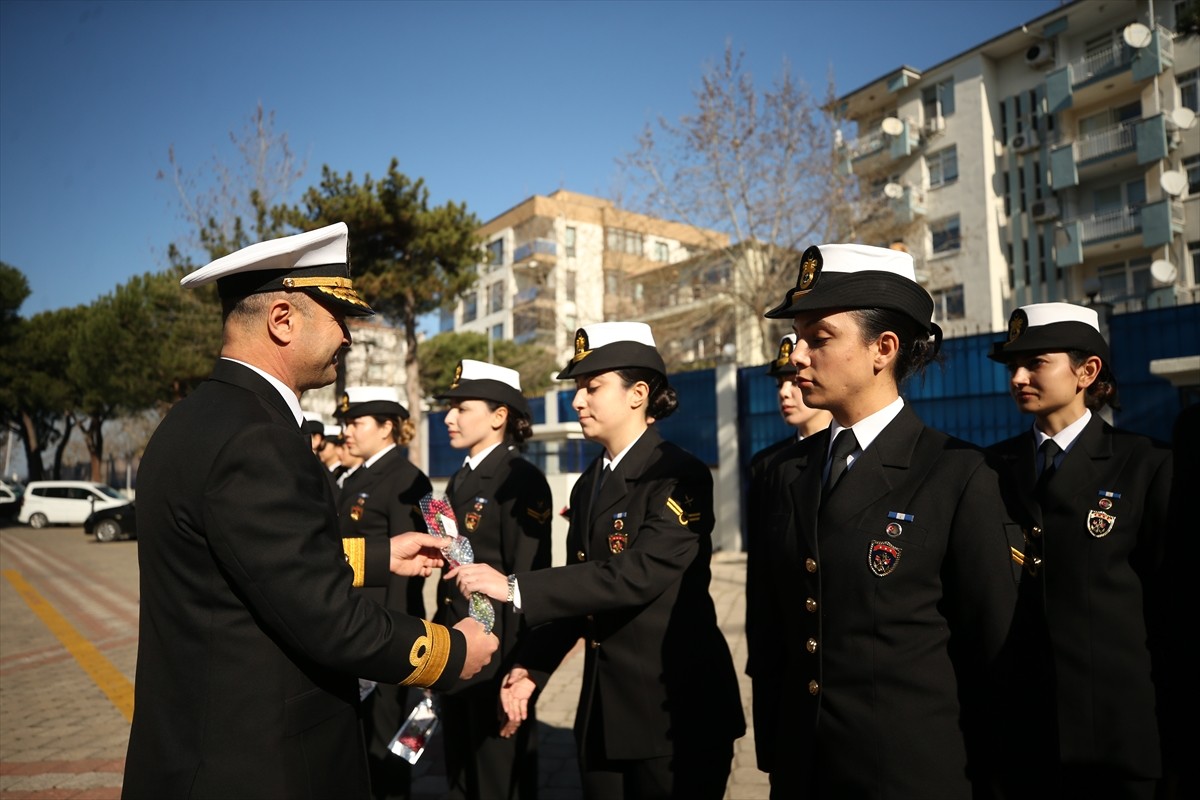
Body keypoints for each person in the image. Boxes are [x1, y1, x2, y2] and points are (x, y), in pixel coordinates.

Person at [122, 223, 497, 800]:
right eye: (337, 318)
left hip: (215, 739)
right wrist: (451, 650)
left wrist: (388, 563)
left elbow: (257, 562)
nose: (348, 337)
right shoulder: (261, 438)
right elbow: (312, 598)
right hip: (260, 757)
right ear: (282, 320)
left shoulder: (194, 420)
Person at [751, 243, 1018, 798]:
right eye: (798, 338)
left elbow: (995, 653)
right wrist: (777, 753)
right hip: (802, 769)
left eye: (818, 338)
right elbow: (773, 630)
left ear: (883, 348)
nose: (798, 355)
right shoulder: (787, 472)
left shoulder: (959, 474)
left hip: (906, 774)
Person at [448, 322, 745, 800]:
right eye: (579, 388)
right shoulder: (590, 484)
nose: (577, 401)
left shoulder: (678, 474)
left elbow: (638, 575)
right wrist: (532, 668)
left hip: (674, 713)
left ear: (638, 393)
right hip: (604, 713)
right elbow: (579, 594)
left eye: (593, 387)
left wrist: (516, 588)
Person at [986, 302, 1173, 800]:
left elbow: (1169, 609)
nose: (1019, 377)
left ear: (1086, 371)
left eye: (1035, 363)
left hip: (1113, 739)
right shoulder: (990, 468)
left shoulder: (1146, 465)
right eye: (1012, 366)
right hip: (1018, 738)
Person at [433, 359, 553, 800]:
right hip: (457, 646)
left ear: (499, 416)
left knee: (499, 779)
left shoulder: (520, 479)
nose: (449, 417)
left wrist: (520, 667)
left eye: (462, 407)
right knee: (461, 774)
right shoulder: (461, 477)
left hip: (497, 655)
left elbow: (527, 580)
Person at [337, 385, 434, 800]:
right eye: (346, 422)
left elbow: (408, 570)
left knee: (391, 742)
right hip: (351, 623)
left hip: (386, 632)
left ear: (387, 427)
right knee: (358, 740)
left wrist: (391, 640)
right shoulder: (354, 477)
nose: (347, 432)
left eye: (356, 422)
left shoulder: (407, 479)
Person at [742, 332, 831, 774]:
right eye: (780, 381)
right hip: (781, 655)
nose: (784, 390)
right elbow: (760, 572)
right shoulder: (768, 464)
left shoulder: (840, 456)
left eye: (794, 379)